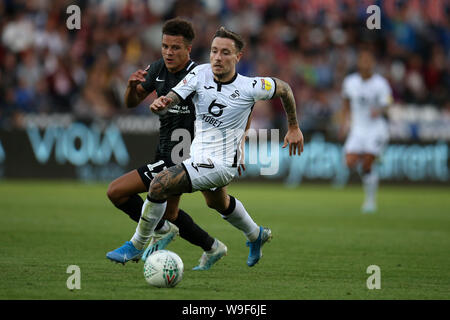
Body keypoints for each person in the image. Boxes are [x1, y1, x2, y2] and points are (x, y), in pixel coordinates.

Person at [107, 26, 304, 267]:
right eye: (213, 51)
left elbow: (284, 88)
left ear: (237, 57)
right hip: (197, 158)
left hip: (221, 165)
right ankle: (255, 235)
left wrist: (293, 127)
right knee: (216, 203)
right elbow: (177, 95)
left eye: (224, 52)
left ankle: (137, 245)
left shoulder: (250, 86)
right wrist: (163, 101)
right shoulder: (200, 73)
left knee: (160, 184)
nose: (217, 58)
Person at [106, 18, 228, 271]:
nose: (169, 52)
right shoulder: (157, 69)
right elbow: (131, 102)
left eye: (175, 48)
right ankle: (212, 246)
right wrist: (130, 88)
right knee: (170, 215)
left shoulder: (200, 76)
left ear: (188, 50)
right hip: (164, 149)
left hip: (186, 157)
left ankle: (146, 238)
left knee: (116, 191)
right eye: (165, 46)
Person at [340, 48, 392, 213]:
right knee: (348, 162)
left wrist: (380, 110)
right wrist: (344, 123)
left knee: (368, 162)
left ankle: (370, 201)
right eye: (363, 60)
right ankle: (373, 163)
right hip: (358, 129)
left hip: (375, 128)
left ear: (373, 63)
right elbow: (346, 104)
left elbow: (388, 103)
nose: (366, 64)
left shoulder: (381, 83)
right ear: (359, 63)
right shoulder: (350, 82)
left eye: (369, 60)